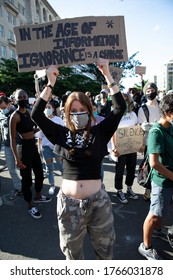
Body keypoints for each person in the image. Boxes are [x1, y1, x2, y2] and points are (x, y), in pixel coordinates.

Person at [31, 58, 126, 260]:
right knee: (73, 258)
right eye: (73, 111)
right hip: (68, 206)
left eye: (82, 109)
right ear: (66, 113)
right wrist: (50, 83)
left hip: (98, 204)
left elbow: (119, 108)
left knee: (105, 253)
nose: (78, 114)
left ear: (89, 110)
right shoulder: (59, 133)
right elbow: (36, 114)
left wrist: (107, 73)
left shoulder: (101, 132)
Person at [138, 93, 173, 260]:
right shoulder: (156, 131)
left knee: (163, 211)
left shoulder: (170, 127)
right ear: (168, 112)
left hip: (170, 178)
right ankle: (146, 246)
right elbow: (154, 163)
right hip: (162, 180)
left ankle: (159, 231)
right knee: (154, 214)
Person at [9, 89, 51, 219]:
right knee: (26, 179)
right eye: (20, 97)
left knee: (40, 173)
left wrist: (43, 127)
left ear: (28, 97)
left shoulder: (28, 112)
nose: (23, 99)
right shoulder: (14, 116)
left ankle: (38, 196)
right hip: (23, 148)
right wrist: (17, 158)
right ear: (15, 100)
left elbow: (34, 129)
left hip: (32, 146)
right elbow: (13, 139)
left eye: (24, 96)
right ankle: (30, 205)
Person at [110, 93, 142, 203]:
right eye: (120, 100)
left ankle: (129, 188)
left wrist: (140, 143)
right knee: (119, 170)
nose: (122, 102)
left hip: (131, 146)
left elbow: (137, 128)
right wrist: (114, 147)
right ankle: (119, 190)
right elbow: (112, 131)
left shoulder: (133, 114)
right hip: (120, 147)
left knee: (131, 169)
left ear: (128, 101)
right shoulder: (115, 114)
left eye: (124, 100)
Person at [36, 101, 64, 195]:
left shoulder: (58, 120)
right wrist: (39, 147)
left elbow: (63, 133)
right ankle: (52, 185)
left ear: (53, 109)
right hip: (46, 148)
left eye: (49, 107)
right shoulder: (41, 120)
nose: (47, 109)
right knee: (49, 168)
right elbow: (39, 136)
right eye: (45, 107)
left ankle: (64, 185)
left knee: (61, 167)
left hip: (57, 147)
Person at [138, 82, 160, 201]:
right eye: (148, 91)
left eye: (152, 90)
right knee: (150, 166)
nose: (150, 93)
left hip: (162, 141)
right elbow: (142, 126)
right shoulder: (143, 109)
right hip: (149, 142)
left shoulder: (162, 106)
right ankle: (148, 188)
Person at [0, 96, 22, 200]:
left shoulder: (17, 113)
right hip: (7, 146)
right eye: (0, 108)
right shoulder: (1, 114)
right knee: (11, 169)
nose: (2, 110)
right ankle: (18, 187)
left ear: (9, 104)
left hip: (18, 145)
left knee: (21, 167)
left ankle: (26, 186)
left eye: (3, 107)